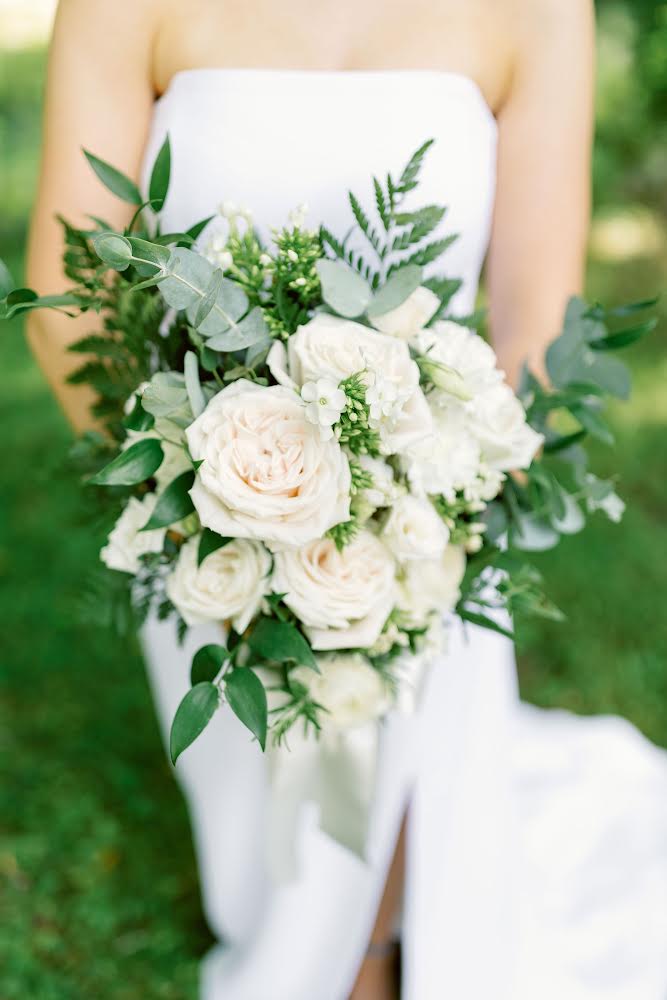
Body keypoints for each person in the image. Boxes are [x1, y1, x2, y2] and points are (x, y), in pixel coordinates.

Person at [25, 2, 667, 999]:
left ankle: (378, 926)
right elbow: (65, 301)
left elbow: (534, 333)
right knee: (275, 842)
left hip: (426, 500)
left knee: (404, 659)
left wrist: (418, 518)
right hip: (208, 511)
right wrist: (195, 500)